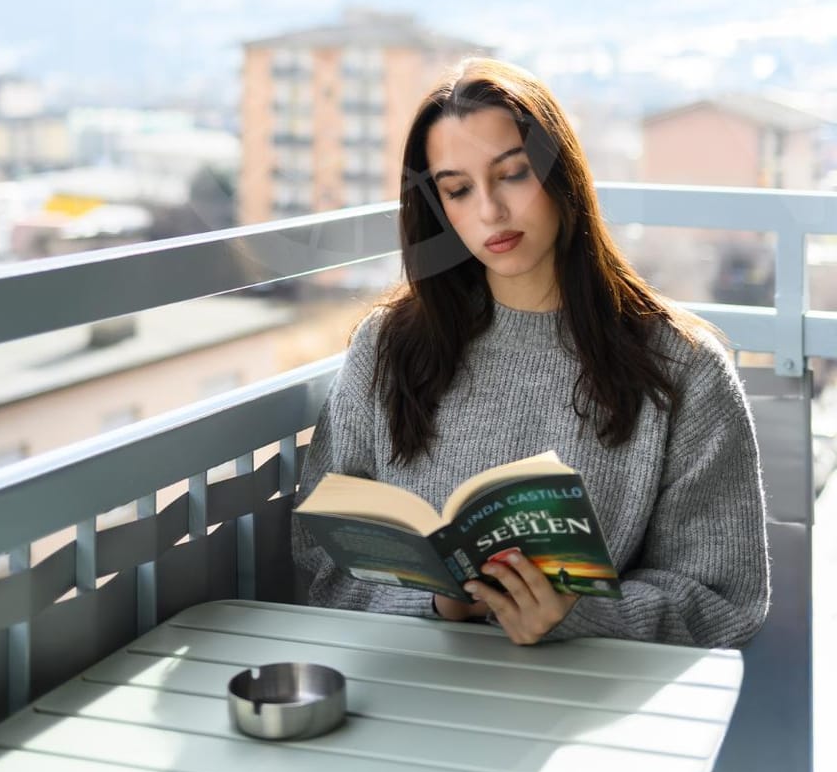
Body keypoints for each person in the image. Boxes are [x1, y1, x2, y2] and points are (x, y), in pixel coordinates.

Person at [293, 59, 770, 648]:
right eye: (459, 190)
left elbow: (724, 598)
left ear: (559, 173)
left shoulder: (681, 367)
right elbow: (318, 556)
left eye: (513, 174)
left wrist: (578, 616)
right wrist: (435, 602)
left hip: (588, 700)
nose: (490, 210)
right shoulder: (387, 347)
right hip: (411, 688)